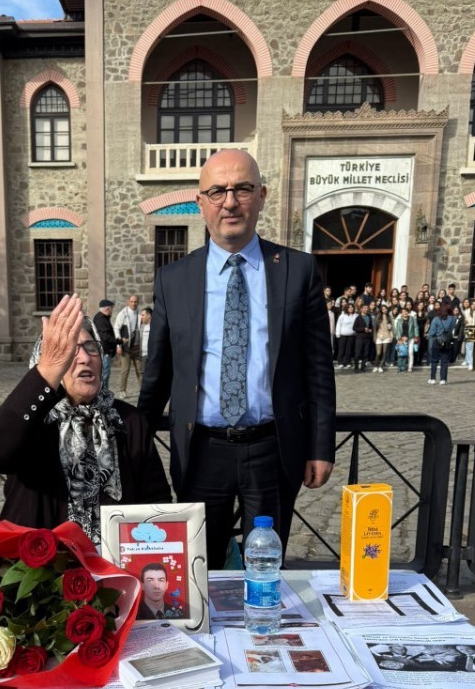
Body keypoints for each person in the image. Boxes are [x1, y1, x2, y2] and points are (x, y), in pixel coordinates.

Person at [137, 148, 336, 563]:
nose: (229, 202)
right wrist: (137, 443)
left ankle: (259, 627)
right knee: (196, 566)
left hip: (273, 446)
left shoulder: (297, 270)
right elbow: (158, 372)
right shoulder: (174, 279)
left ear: (261, 195)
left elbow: (318, 368)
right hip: (201, 450)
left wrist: (321, 447)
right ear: (201, 202)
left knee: (264, 566)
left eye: (242, 189)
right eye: (217, 191)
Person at [0, 293, 171, 550]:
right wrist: (47, 373)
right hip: (39, 569)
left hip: (117, 565)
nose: (84, 357)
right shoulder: (36, 417)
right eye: (68, 350)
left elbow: (157, 501)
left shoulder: (128, 420)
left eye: (91, 348)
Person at [113, 294, 144, 394]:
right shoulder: (123, 314)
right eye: (132, 301)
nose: (134, 303)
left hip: (137, 347)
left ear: (138, 302)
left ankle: (143, 391)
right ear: (128, 302)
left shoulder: (140, 314)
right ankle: (122, 391)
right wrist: (118, 345)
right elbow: (116, 328)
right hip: (126, 347)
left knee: (140, 371)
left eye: (135, 302)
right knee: (125, 371)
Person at [92, 299, 118, 390]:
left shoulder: (103, 318)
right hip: (104, 351)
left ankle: (103, 393)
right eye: (111, 308)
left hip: (105, 351)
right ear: (107, 309)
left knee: (104, 375)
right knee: (104, 375)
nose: (112, 310)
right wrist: (118, 341)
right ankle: (103, 394)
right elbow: (105, 337)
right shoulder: (101, 319)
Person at [426, 302, 455, 385]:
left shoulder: (436, 319)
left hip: (437, 341)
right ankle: (443, 379)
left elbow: (432, 333)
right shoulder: (453, 319)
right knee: (444, 361)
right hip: (447, 341)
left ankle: (432, 378)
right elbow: (452, 328)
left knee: (434, 360)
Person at [372, 305, 395, 373]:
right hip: (379, 336)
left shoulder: (389, 317)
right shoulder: (378, 317)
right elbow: (375, 329)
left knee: (384, 353)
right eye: (383, 309)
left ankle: (380, 366)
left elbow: (391, 327)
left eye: (385, 308)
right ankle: (376, 366)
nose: (384, 310)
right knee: (378, 353)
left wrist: (391, 336)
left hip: (387, 336)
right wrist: (375, 337)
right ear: (381, 310)